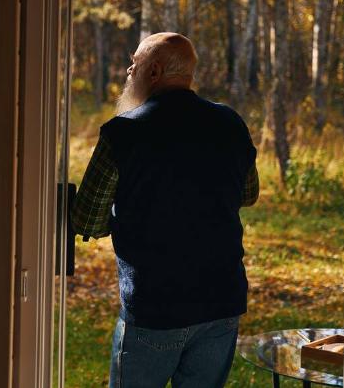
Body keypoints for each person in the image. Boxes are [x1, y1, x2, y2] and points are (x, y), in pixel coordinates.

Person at [72, 33, 259, 388]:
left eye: (135, 64)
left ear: (154, 71)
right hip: (221, 304)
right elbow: (248, 194)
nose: (129, 71)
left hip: (154, 308)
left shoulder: (123, 132)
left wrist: (131, 209)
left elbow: (88, 220)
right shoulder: (231, 124)